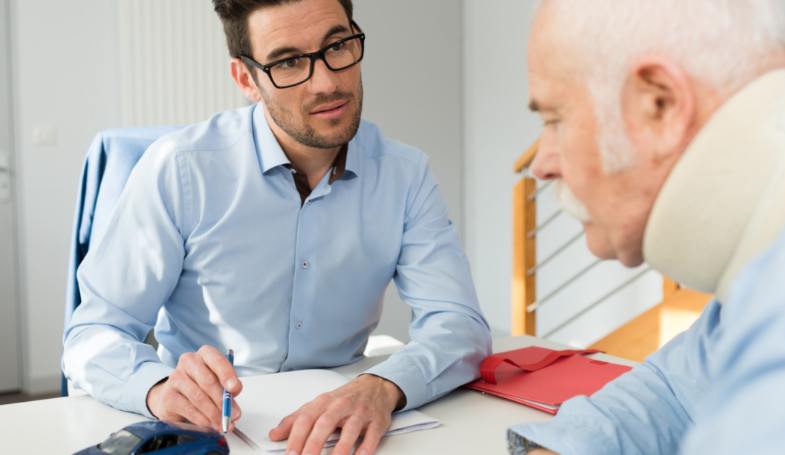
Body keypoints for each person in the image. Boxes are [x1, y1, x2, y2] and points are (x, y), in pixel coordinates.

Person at [62, 1, 491, 455]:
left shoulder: (405, 175)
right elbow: (93, 333)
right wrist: (158, 386)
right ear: (246, 79)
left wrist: (382, 387)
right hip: (210, 432)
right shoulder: (180, 169)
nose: (328, 82)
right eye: (288, 62)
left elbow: (458, 322)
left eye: (338, 45)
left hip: (344, 430)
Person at [508, 0, 785, 454]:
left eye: (555, 119)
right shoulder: (764, 269)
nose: (542, 166)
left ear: (661, 104)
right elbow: (676, 391)